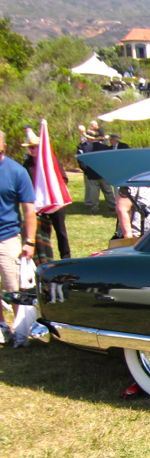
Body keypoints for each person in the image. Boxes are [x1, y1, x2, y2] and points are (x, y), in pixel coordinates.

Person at [0, 128, 37, 344]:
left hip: (8, 236)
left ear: (3, 146)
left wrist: (29, 241)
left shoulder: (16, 172)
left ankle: (21, 330)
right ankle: (2, 326)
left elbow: (29, 210)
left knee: (13, 287)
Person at [22, 128, 70, 261]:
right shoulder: (27, 165)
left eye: (34, 147)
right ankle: (44, 258)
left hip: (55, 202)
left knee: (61, 231)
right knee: (41, 231)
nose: (31, 150)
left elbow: (63, 179)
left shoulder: (51, 161)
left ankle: (66, 257)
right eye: (29, 148)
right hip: (38, 203)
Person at [77, 125, 116, 214]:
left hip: (91, 173)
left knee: (93, 192)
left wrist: (86, 171)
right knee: (108, 190)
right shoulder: (103, 147)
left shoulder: (84, 147)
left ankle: (94, 208)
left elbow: (81, 160)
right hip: (103, 172)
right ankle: (112, 206)